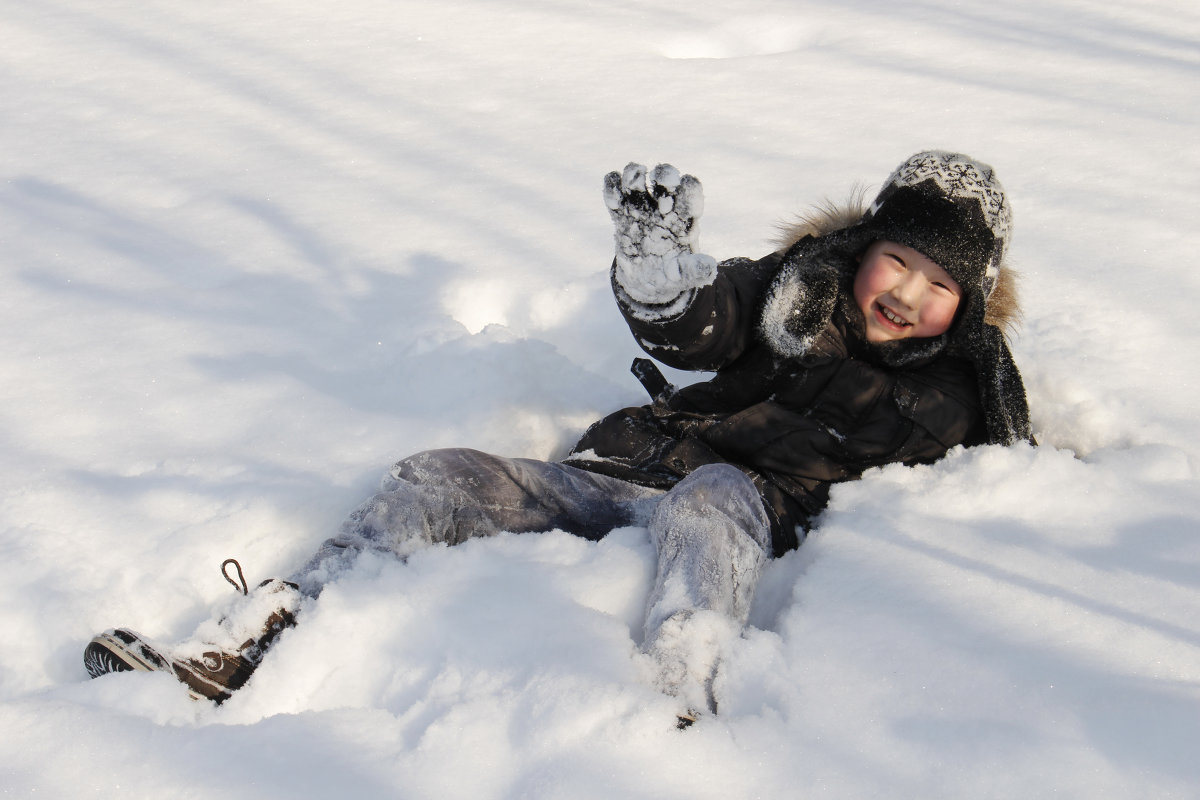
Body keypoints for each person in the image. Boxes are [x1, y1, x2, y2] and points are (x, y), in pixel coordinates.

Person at [84, 150, 1033, 724]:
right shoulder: (799, 286)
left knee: (711, 499)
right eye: (895, 260)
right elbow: (708, 322)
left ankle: (678, 702)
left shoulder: (958, 394)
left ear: (971, 302)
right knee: (438, 474)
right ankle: (256, 638)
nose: (905, 293)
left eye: (938, 284)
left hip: (740, 507)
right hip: (622, 472)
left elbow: (982, 493)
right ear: (863, 248)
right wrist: (663, 284)